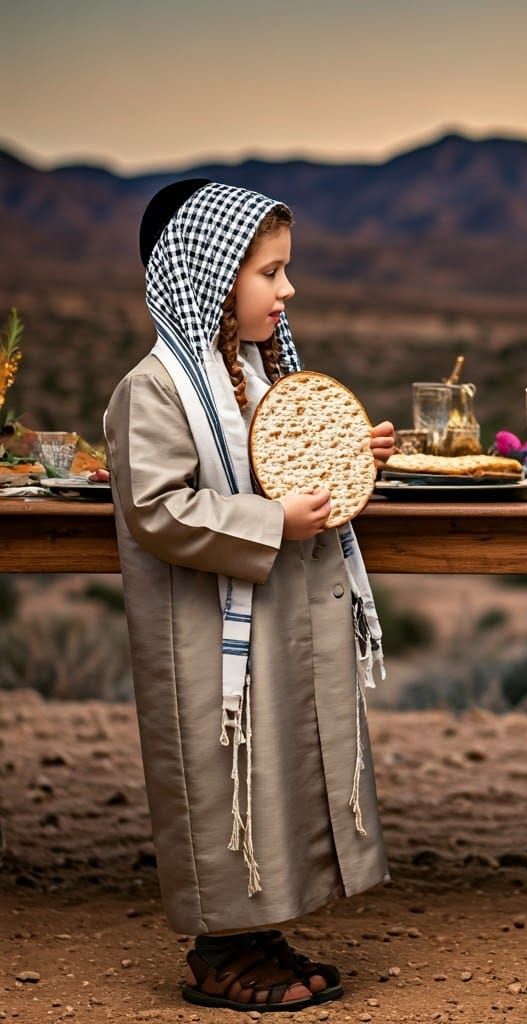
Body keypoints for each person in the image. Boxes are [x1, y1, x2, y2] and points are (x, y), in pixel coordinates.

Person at [104, 179, 396, 1013]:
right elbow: (159, 509)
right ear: (209, 275)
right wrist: (273, 521)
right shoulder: (155, 389)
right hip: (200, 631)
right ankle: (218, 954)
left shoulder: (256, 380)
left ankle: (257, 931)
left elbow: (286, 464)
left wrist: (351, 452)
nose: (287, 289)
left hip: (265, 617)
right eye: (270, 273)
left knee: (272, 770)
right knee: (219, 774)